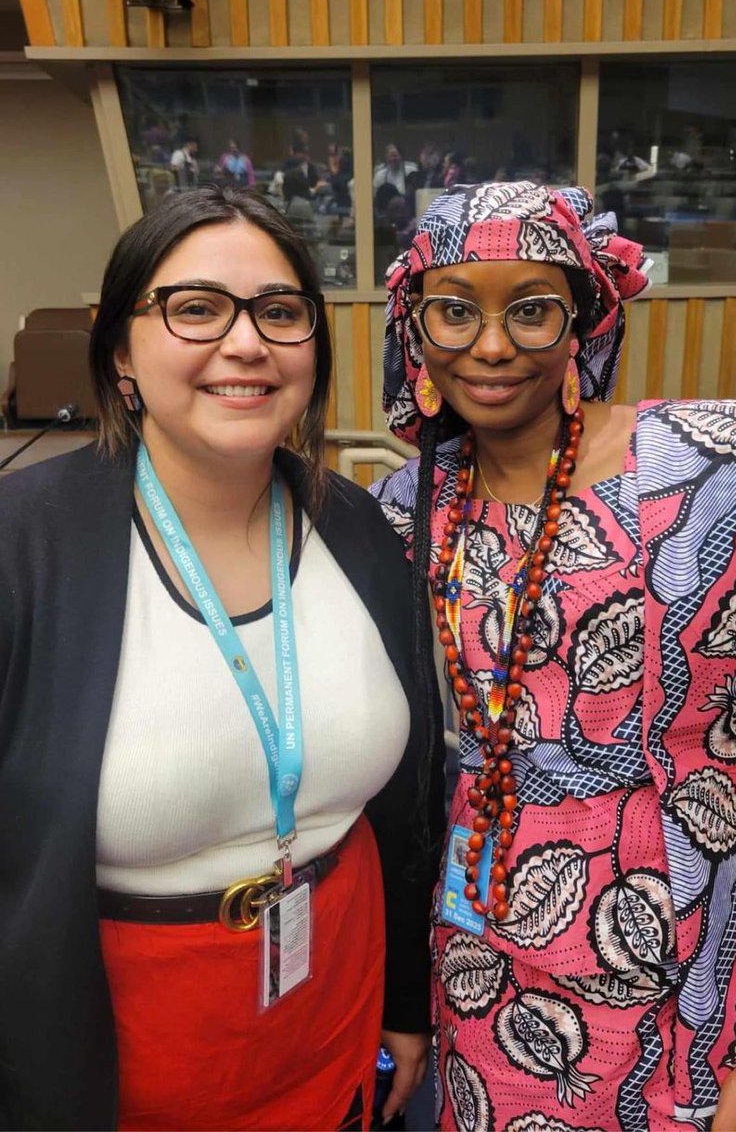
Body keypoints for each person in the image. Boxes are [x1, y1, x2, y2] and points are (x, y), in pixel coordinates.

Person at [0, 186, 444, 1131]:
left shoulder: (358, 526)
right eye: (195, 308)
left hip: (334, 1002)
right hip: (106, 1051)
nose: (245, 344)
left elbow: (401, 811)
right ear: (120, 351)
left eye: (280, 313)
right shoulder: (19, 550)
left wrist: (409, 997)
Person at [371, 181, 736, 1131]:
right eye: (455, 308)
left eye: (531, 307)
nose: (491, 344)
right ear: (415, 327)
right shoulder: (404, 510)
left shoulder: (721, 470)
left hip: (692, 955)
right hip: (481, 958)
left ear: (586, 316)